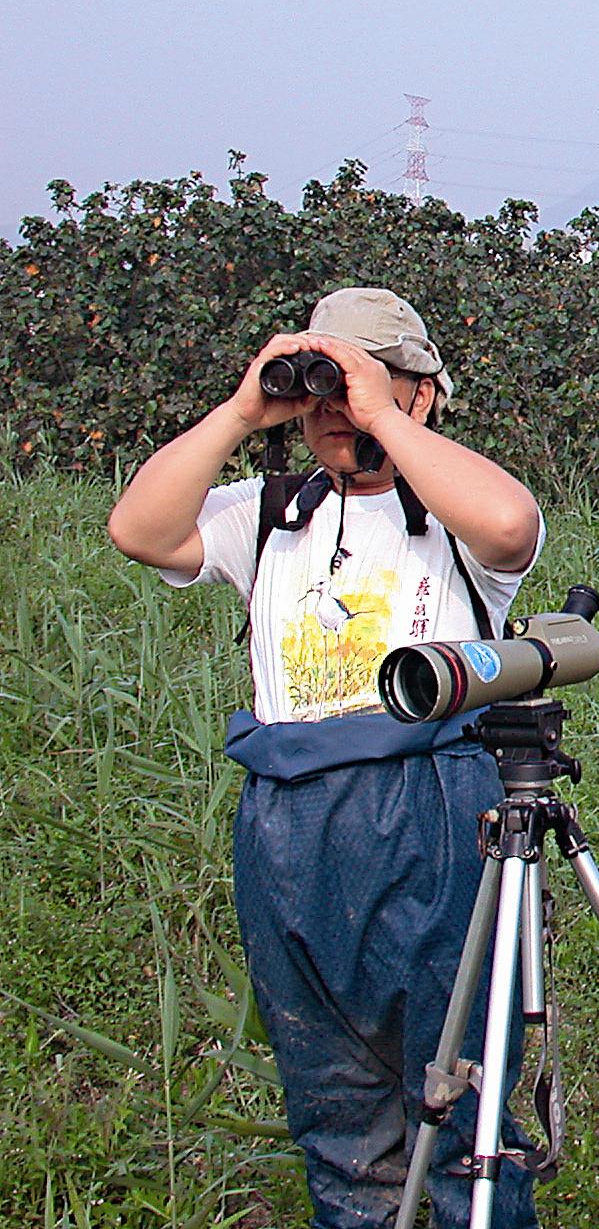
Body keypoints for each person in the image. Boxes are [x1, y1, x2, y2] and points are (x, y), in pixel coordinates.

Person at [106, 288, 545, 1227]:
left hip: (432, 803)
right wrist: (238, 412)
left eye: (362, 388)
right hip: (288, 818)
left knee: (462, 1084)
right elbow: (138, 532)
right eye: (320, 395)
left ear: (423, 394)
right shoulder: (266, 514)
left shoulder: (458, 523)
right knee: (335, 1101)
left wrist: (384, 408)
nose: (336, 414)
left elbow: (511, 523)